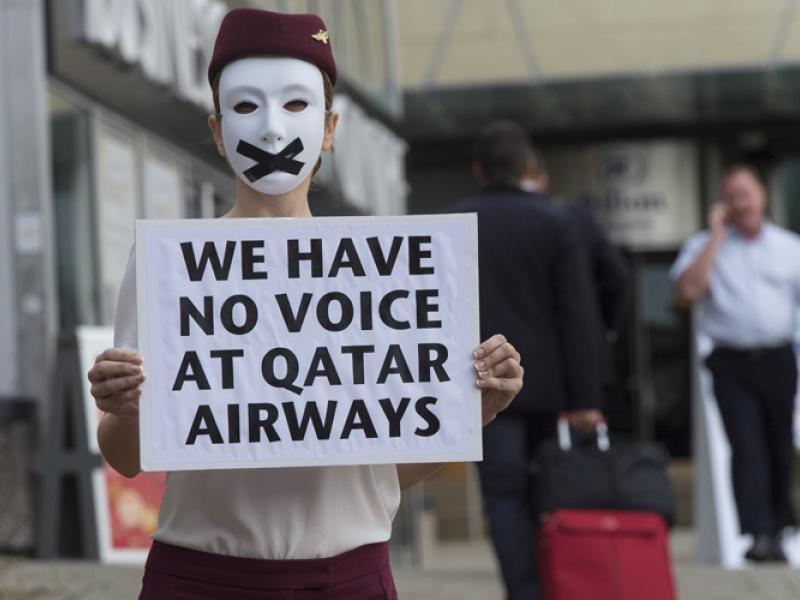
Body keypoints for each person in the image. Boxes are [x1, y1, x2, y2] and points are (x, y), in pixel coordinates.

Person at [86, 9, 524, 599]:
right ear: (218, 131)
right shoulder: (170, 266)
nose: (270, 130)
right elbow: (128, 457)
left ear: (329, 127)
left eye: (296, 105)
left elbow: (378, 471)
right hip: (200, 575)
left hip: (348, 575)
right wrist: (125, 406)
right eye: (245, 108)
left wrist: (474, 411)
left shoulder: (384, 270)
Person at [449, 120, 603, 600]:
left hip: (479, 386)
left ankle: (523, 592)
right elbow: (577, 313)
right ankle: (554, 585)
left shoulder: (456, 221)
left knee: (501, 497)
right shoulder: (557, 221)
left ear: (478, 169)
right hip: (546, 388)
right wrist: (586, 398)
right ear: (530, 167)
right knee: (547, 495)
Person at [671, 164, 800, 563]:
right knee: (746, 447)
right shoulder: (704, 245)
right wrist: (715, 237)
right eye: (733, 197)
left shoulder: (788, 246)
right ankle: (757, 533)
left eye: (747, 194)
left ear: (762, 196)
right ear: (723, 204)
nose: (741, 204)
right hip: (731, 362)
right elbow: (687, 291)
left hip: (778, 358)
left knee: (779, 445)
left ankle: (778, 527)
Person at [520, 147, 630, 386]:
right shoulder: (575, 218)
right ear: (543, 180)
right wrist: (604, 330)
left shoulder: (481, 217)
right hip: (577, 359)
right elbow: (617, 279)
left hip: (514, 362)